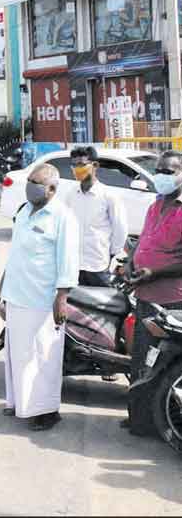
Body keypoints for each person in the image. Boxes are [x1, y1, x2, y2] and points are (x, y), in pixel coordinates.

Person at [0, 163, 79, 431]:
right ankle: (21, 403)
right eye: (29, 181)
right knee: (18, 355)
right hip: (17, 294)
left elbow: (68, 260)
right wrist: (0, 289)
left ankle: (47, 411)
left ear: (52, 189)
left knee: (44, 357)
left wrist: (62, 297)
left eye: (36, 183)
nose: (29, 187)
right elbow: (15, 254)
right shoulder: (24, 212)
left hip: (44, 299)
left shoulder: (63, 217)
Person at [123, 151, 182, 436]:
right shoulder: (155, 205)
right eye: (159, 170)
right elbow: (142, 242)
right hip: (145, 296)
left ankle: (163, 421)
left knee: (165, 365)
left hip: (172, 301)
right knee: (142, 358)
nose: (162, 176)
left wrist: (156, 272)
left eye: (169, 171)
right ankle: (139, 419)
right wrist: (129, 263)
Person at [66, 146, 128, 287]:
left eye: (81, 164)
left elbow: (120, 229)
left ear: (95, 165)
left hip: (98, 264)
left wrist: (111, 254)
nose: (77, 169)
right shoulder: (71, 195)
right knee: (77, 306)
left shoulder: (108, 195)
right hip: (75, 265)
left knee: (104, 304)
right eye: (74, 165)